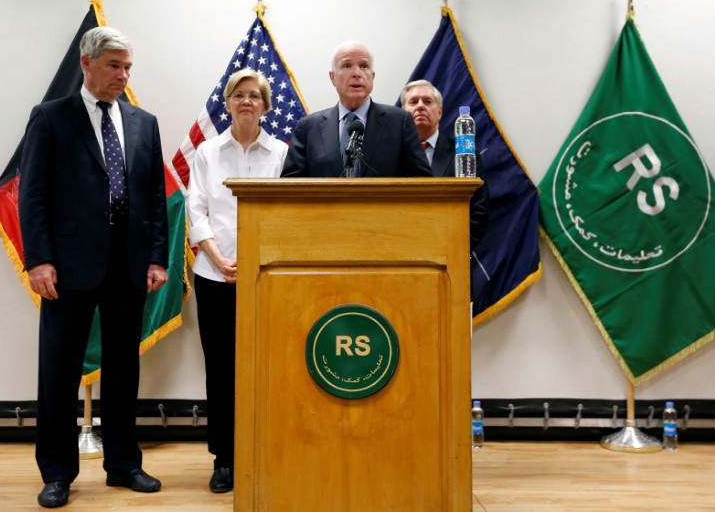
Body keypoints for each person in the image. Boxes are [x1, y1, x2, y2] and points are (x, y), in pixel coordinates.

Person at [19, 27, 169, 508]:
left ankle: (124, 465)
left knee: (125, 369)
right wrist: (39, 259)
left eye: (128, 67)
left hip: (128, 265)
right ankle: (58, 472)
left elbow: (153, 199)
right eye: (115, 66)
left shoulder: (144, 123)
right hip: (66, 266)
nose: (123, 76)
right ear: (87, 63)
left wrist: (156, 257)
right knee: (59, 371)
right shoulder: (50, 118)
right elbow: (33, 194)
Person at [185, 68, 289, 494]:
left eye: (254, 96)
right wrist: (220, 258)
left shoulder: (281, 152)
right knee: (222, 369)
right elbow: (197, 211)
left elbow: (286, 212)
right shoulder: (208, 153)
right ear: (226, 103)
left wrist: (255, 261)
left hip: (266, 278)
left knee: (268, 366)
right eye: (239, 95)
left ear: (266, 105)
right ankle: (224, 459)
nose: (247, 102)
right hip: (215, 276)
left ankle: (266, 448)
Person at [282, 40, 432, 178]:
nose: (357, 73)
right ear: (332, 77)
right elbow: (290, 188)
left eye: (364, 66)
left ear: (372, 77)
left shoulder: (400, 122)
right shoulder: (308, 128)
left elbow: (422, 182)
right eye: (347, 65)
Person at [400, 79, 489, 247]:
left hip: (451, 254)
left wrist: (449, 248)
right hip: (402, 255)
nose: (420, 106)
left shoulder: (464, 154)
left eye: (427, 101)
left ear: (439, 112)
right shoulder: (391, 154)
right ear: (403, 112)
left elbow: (478, 211)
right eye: (413, 102)